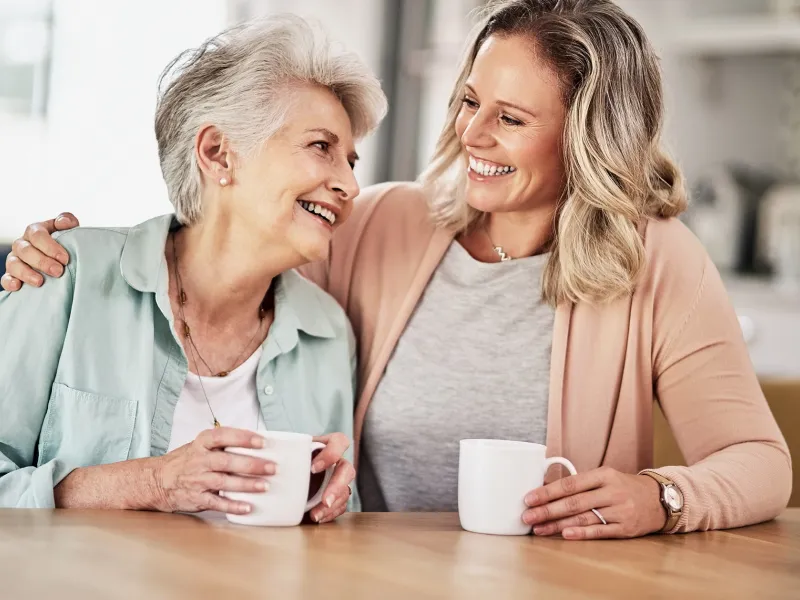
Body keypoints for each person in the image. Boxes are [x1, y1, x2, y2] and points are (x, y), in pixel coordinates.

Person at [4, 0, 791, 539]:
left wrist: (664, 495)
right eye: (469, 100)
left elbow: (759, 464)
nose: (471, 133)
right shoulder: (383, 223)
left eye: (510, 119)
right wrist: (48, 257)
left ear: (586, 141)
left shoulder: (655, 263)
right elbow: (233, 224)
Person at [0, 15, 388, 522]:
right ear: (217, 153)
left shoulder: (327, 331)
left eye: (352, 162)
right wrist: (153, 482)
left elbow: (327, 530)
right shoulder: (62, 274)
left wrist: (324, 497)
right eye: (321, 147)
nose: (350, 186)